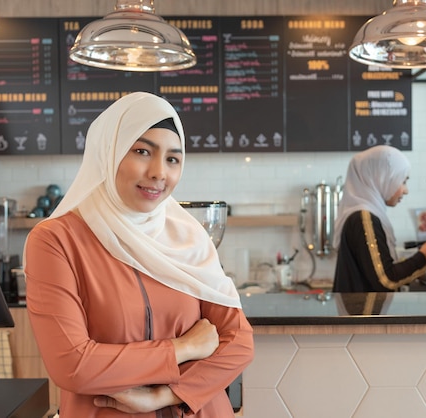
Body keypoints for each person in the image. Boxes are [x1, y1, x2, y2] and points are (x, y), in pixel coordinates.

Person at [24, 92, 254, 417]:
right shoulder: (56, 240)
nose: (159, 172)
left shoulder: (187, 236)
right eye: (142, 151)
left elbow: (239, 342)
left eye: (173, 159)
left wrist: (166, 395)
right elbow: (73, 365)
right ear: (109, 153)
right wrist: (182, 348)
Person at [332, 145, 426, 293]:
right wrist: (423, 256)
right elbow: (386, 280)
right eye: (403, 181)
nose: (406, 190)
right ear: (381, 177)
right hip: (365, 314)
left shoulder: (363, 215)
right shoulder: (364, 218)